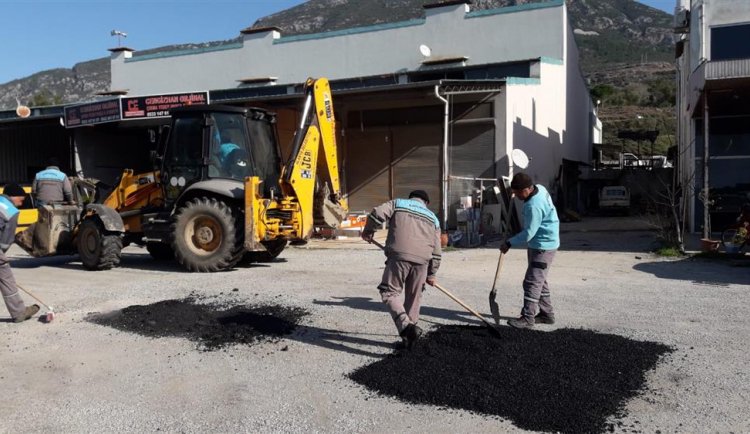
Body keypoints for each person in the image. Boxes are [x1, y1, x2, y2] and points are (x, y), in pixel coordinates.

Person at [361, 190, 442, 349]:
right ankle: (410, 341)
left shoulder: (398, 203)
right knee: (414, 297)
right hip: (423, 262)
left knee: (389, 292)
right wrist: (432, 273)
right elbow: (437, 251)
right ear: (426, 203)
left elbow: (377, 213)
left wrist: (369, 231)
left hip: (399, 257)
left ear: (411, 198)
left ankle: (407, 327)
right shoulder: (433, 218)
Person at [500, 172, 560, 329]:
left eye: (518, 192)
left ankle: (528, 318)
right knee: (540, 280)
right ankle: (547, 314)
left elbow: (528, 233)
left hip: (542, 246)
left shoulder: (533, 206)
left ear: (527, 189)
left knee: (531, 282)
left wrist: (509, 242)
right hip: (542, 243)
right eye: (514, 192)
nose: (516, 196)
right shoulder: (539, 188)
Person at [0, 184, 39, 322]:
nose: (21, 203)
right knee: (6, 278)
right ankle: (19, 312)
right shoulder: (11, 211)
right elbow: (6, 241)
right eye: (21, 200)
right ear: (13, 197)